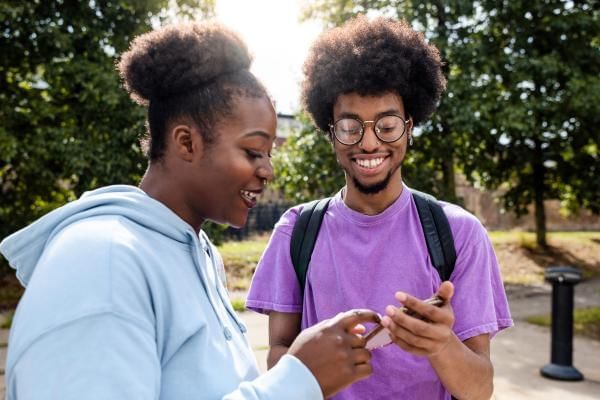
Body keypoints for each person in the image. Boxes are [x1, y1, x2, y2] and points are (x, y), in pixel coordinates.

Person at [0, 21, 381, 400]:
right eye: (252, 152)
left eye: (268, 154)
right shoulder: (102, 262)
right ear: (186, 143)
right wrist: (298, 381)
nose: (268, 171)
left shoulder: (196, 253)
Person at [246, 16, 513, 400]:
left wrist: (439, 345)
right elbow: (279, 353)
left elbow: (479, 389)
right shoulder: (296, 231)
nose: (369, 143)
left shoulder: (460, 233)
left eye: (386, 125)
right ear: (330, 132)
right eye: (351, 126)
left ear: (409, 127)